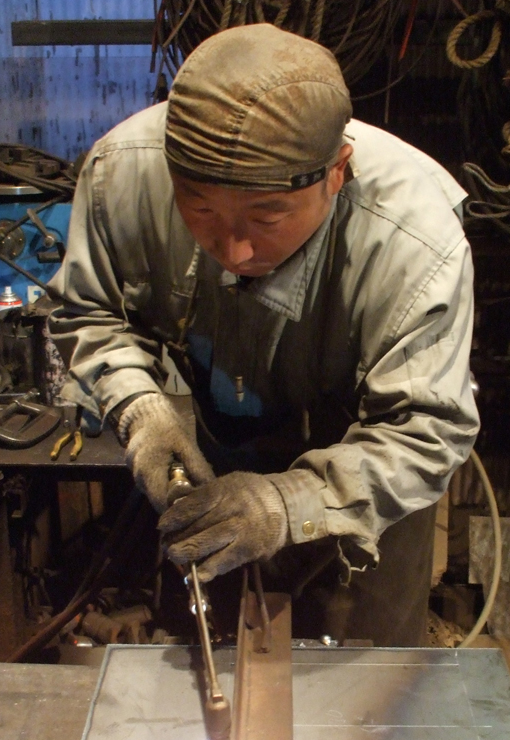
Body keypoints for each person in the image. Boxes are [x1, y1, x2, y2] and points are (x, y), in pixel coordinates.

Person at [49, 23, 479, 646]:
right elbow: (88, 310)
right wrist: (139, 408)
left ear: (336, 173)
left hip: (366, 483)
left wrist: (285, 505)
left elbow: (426, 430)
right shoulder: (123, 173)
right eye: (199, 210)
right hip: (217, 460)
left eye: (267, 216)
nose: (234, 250)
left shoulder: (413, 241)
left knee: (365, 681)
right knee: (214, 651)